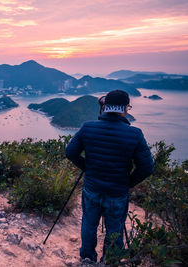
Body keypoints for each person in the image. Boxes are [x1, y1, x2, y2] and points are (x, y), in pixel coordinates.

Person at [65, 89, 154, 263]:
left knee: (89, 224)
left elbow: (70, 152)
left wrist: (87, 168)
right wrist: (128, 183)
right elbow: (147, 167)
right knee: (115, 229)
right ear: (125, 108)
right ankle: (110, 261)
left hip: (92, 188)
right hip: (117, 192)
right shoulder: (135, 134)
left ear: (104, 106)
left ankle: (87, 258)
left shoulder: (88, 127)